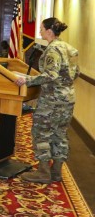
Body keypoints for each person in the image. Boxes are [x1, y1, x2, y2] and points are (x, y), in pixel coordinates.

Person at [15, 18, 79, 184]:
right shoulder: (68, 48)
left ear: (50, 31)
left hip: (52, 101)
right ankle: (56, 172)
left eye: (42, 29)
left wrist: (26, 81)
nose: (39, 33)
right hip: (67, 98)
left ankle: (43, 172)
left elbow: (51, 75)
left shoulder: (52, 50)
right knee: (60, 134)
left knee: (41, 133)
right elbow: (76, 73)